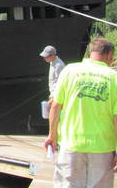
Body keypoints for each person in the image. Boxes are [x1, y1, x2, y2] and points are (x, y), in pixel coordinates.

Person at [44, 38, 117, 188]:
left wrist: (52, 135)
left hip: (71, 144)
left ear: (91, 52)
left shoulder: (69, 70)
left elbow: (56, 107)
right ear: (109, 54)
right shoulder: (114, 78)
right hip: (102, 147)